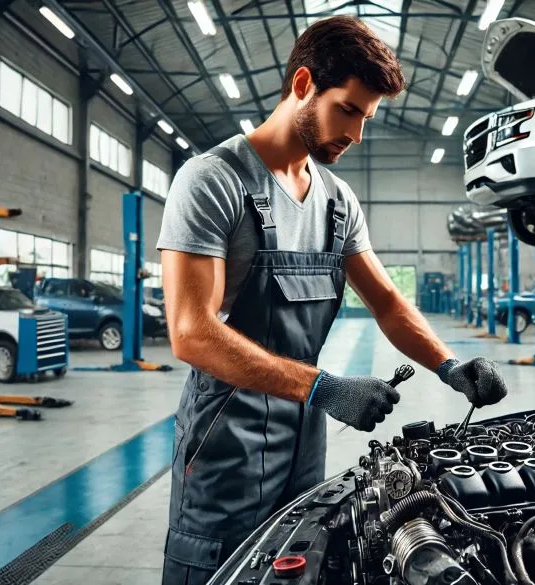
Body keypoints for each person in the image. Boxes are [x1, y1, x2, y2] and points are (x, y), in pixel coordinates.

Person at [155, 15, 509, 585]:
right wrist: (322, 387)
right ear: (302, 85)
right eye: (348, 110)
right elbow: (190, 331)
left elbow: (388, 301)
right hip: (226, 447)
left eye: (367, 118)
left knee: (301, 570)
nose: (358, 134)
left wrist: (449, 366)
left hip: (303, 442)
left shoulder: (337, 201)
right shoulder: (212, 181)